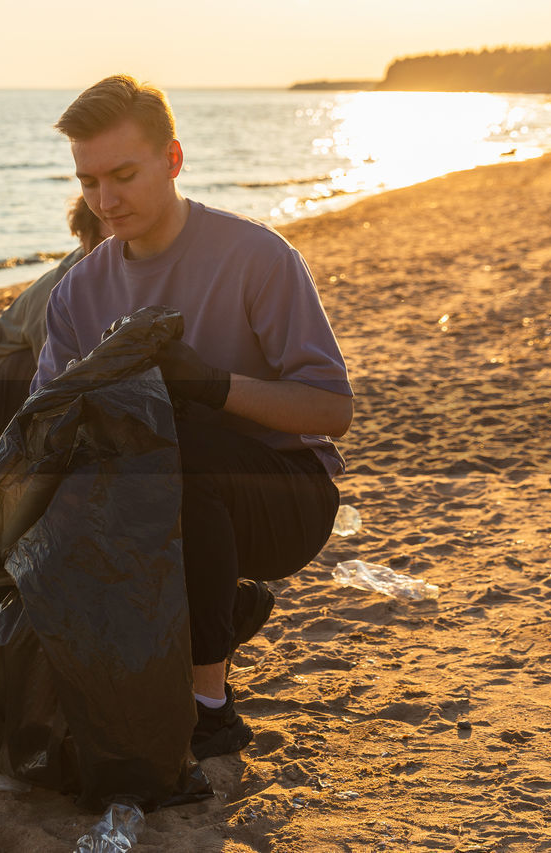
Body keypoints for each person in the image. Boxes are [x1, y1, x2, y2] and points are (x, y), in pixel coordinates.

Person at [31, 75, 354, 760]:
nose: (106, 201)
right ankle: (217, 613)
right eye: (88, 182)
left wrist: (209, 384)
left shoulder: (256, 257)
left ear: (172, 160)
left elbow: (332, 408)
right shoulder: (79, 292)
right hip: (154, 501)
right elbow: (42, 430)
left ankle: (211, 708)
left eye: (124, 175)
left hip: (286, 498)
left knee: (182, 446)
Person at [0, 195, 110, 444]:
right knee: (63, 368)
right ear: (85, 237)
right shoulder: (62, 286)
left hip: (19, 373)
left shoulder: (104, 271)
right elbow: (50, 369)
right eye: (106, 238)